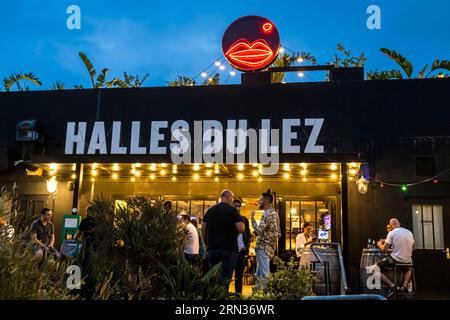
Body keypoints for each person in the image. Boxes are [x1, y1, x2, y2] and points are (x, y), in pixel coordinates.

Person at [202, 189, 245, 292]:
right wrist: (242, 225)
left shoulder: (210, 211)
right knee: (225, 279)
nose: (232, 200)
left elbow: (203, 229)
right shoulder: (232, 210)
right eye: (232, 198)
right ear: (227, 197)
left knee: (213, 278)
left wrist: (206, 243)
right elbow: (240, 228)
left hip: (212, 249)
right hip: (228, 249)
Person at [376, 218, 415, 298]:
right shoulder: (409, 232)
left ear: (390, 225)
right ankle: (404, 286)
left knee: (374, 268)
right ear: (399, 224)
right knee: (408, 268)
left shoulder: (391, 233)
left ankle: (393, 286)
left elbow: (384, 249)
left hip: (395, 260)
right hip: (407, 261)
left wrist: (379, 244)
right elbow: (414, 247)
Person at [251, 190, 281, 288]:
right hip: (269, 248)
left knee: (263, 274)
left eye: (260, 200)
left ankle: (265, 295)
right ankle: (259, 294)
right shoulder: (275, 214)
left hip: (263, 247)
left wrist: (252, 219)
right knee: (259, 274)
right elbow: (278, 233)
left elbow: (259, 231)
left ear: (265, 201)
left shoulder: (267, 214)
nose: (259, 202)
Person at [232, 198, 251, 295]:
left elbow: (248, 234)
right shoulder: (228, 218)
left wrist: (246, 247)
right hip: (231, 251)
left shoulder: (244, 219)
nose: (237, 208)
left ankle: (238, 296)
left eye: (239, 206)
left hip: (241, 251)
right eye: (235, 206)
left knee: (239, 276)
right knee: (227, 274)